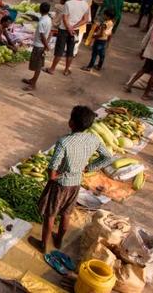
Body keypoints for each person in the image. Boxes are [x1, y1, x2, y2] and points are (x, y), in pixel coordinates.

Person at [29, 106, 112, 253]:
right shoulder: (93, 139)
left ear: (71, 123)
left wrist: (53, 176)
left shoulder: (64, 142)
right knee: (67, 213)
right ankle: (59, 241)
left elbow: (53, 165)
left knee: (51, 214)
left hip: (60, 184)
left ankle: (43, 245)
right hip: (75, 184)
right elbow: (107, 157)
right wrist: (89, 167)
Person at [45, 0, 89, 76]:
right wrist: (74, 27)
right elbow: (85, 20)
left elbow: (65, 18)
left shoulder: (68, 4)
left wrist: (69, 27)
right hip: (75, 31)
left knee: (59, 51)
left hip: (64, 29)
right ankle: (66, 70)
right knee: (70, 51)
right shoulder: (86, 4)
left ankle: (52, 69)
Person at [124, 11, 153, 101]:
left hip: (150, 52)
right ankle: (145, 94)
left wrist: (143, 49)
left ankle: (129, 85)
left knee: (144, 69)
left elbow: (147, 36)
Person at [22, 2, 52, 91]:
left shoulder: (42, 22)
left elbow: (42, 36)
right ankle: (32, 80)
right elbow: (50, 33)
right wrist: (47, 43)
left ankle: (33, 84)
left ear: (40, 10)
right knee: (37, 64)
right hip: (42, 45)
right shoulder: (48, 19)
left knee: (38, 66)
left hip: (39, 46)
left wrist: (46, 46)